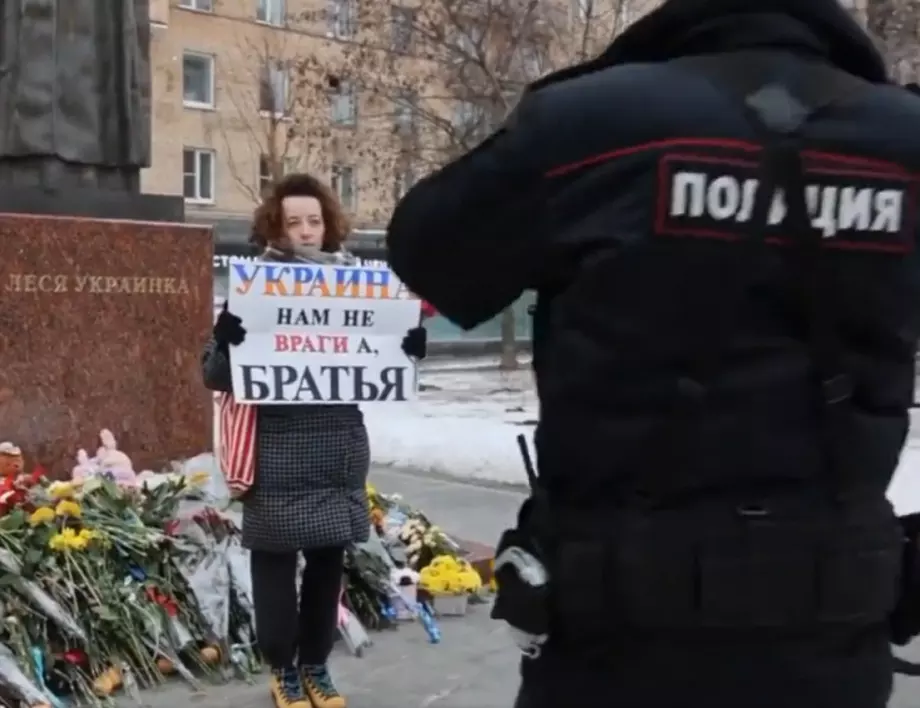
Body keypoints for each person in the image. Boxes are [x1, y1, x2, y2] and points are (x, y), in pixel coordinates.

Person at [384, 1, 920, 707]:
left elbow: (428, 251)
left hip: (617, 644)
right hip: (830, 638)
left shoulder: (592, 123)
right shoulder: (904, 138)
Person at [202, 173, 426, 708]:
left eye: (314, 220)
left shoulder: (359, 285)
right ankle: (283, 669)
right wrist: (228, 343)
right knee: (275, 568)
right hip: (277, 450)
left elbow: (378, 361)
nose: (306, 230)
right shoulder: (255, 286)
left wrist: (408, 347)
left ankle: (316, 668)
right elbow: (213, 375)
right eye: (294, 221)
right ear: (276, 228)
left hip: (337, 449)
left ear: (328, 225)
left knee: (328, 569)